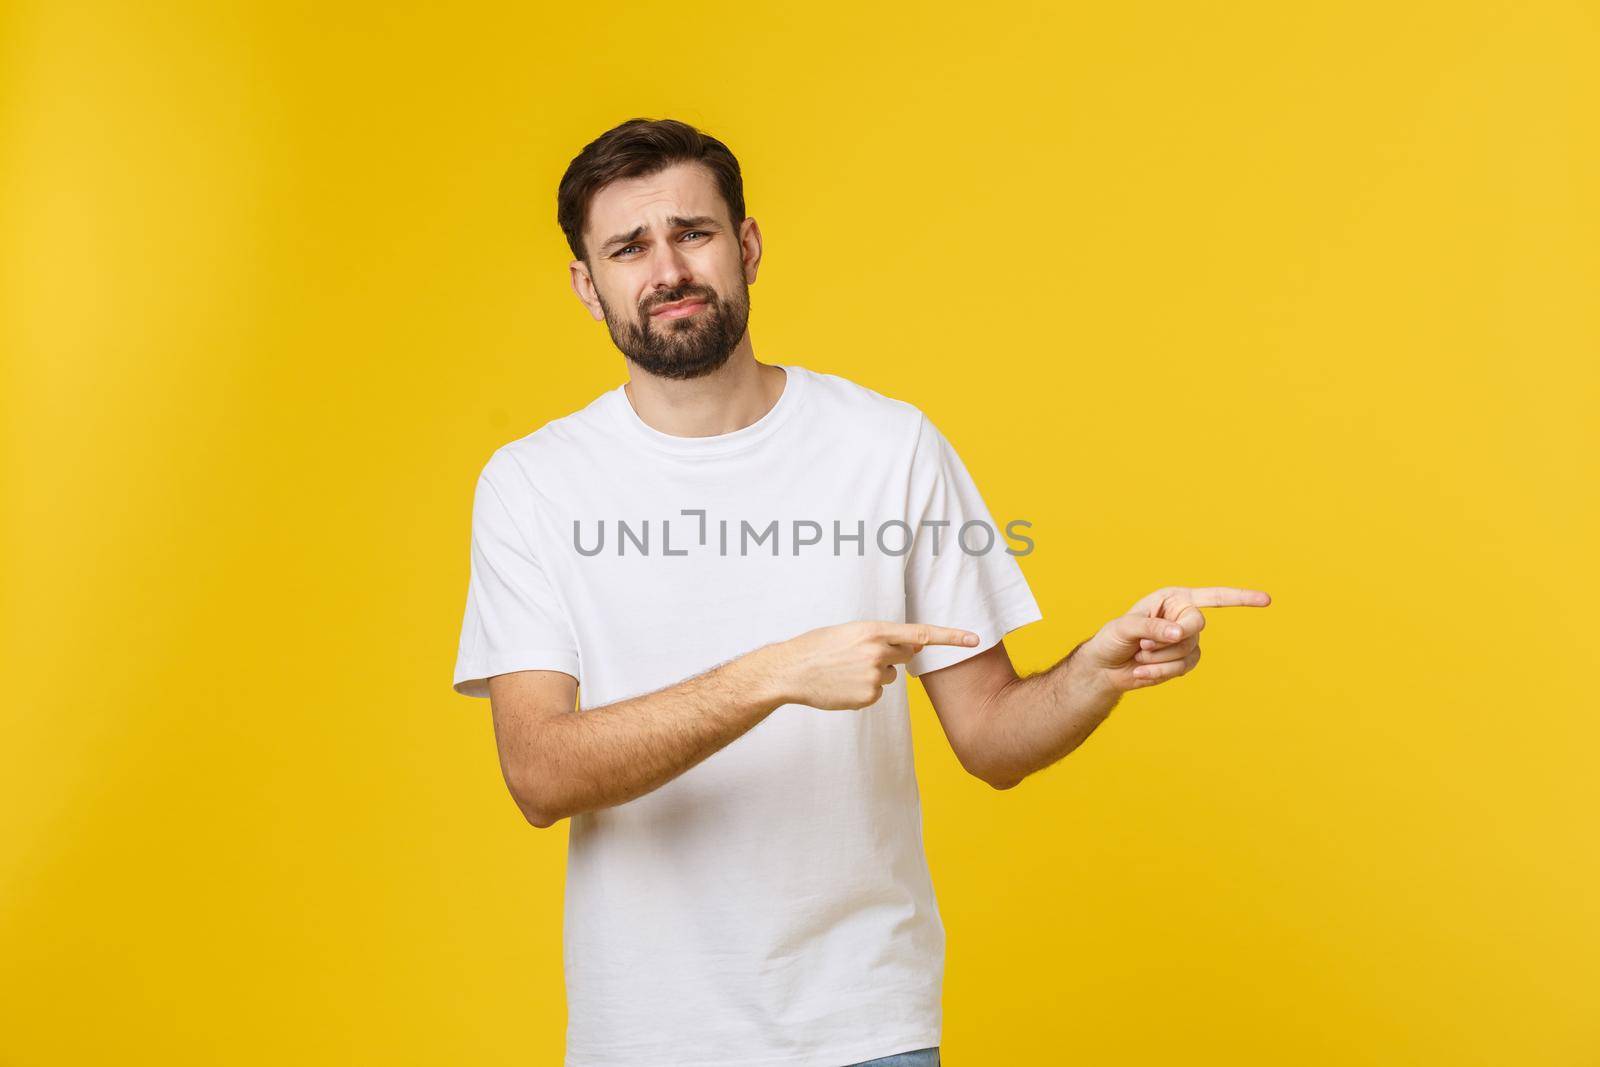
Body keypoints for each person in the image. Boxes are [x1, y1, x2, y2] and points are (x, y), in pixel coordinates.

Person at [451, 117, 1272, 1067]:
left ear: (747, 245)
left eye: (694, 232)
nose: (667, 268)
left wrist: (1092, 672)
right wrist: (776, 673)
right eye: (629, 248)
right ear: (588, 288)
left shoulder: (890, 446)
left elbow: (993, 741)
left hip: (866, 1028)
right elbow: (539, 774)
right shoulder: (534, 483)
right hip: (650, 1036)